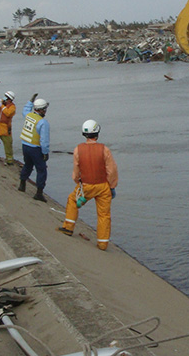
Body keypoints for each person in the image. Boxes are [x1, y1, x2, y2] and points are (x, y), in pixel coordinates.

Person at [58, 120, 118, 251]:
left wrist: (78, 183)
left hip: (86, 186)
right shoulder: (105, 149)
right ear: (97, 133)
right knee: (104, 215)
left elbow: (75, 172)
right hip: (103, 186)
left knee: (72, 201)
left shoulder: (78, 149)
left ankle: (68, 227)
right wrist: (112, 186)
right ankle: (103, 244)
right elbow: (111, 170)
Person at [17, 95, 50, 202]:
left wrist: (30, 101)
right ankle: (39, 193)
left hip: (25, 145)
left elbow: (25, 110)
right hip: (36, 149)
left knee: (27, 165)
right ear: (42, 110)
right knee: (41, 170)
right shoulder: (43, 123)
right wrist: (45, 153)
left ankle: (22, 184)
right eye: (45, 109)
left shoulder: (28, 115)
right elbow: (44, 141)